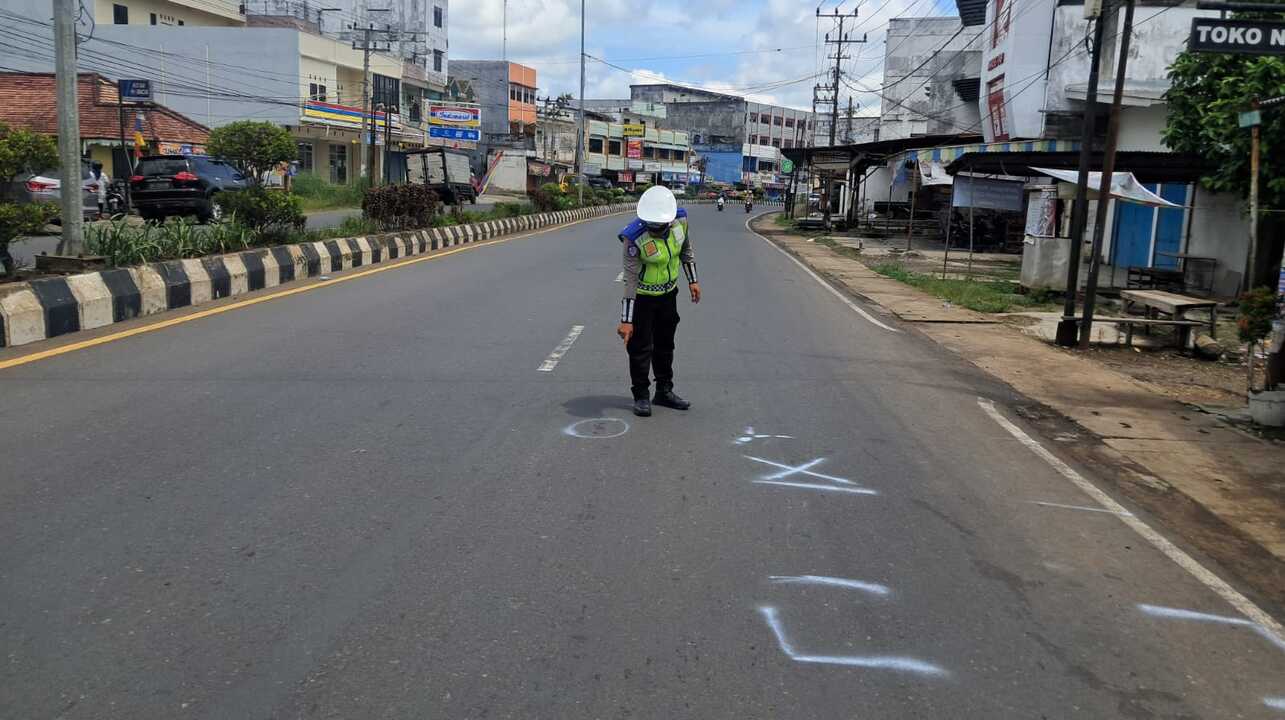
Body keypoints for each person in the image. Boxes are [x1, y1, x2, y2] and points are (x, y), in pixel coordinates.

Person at [617, 186, 701, 417]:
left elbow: (686, 251)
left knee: (665, 345)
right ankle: (641, 395)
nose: (654, 230)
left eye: (659, 226)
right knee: (641, 348)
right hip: (643, 299)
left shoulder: (680, 223)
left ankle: (664, 391)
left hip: (668, 296)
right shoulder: (633, 238)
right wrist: (626, 321)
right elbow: (630, 280)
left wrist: (693, 281)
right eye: (651, 225)